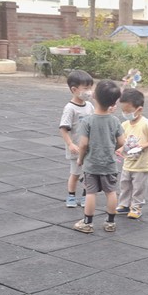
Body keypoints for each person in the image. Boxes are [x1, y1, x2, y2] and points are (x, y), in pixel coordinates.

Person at [72, 79, 124, 234]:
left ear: (94, 96)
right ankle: (110, 222)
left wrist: (81, 159)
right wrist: (111, 149)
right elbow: (122, 142)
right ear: (113, 102)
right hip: (109, 164)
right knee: (111, 192)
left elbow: (83, 144)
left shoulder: (87, 121)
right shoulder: (115, 121)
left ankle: (87, 223)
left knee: (90, 193)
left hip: (92, 164)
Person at [115, 89, 148, 220]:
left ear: (139, 109)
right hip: (128, 163)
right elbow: (123, 142)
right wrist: (120, 149)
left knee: (138, 187)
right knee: (125, 184)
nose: (125, 114)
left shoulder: (146, 123)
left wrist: (142, 146)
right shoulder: (124, 124)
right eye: (123, 111)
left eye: (128, 111)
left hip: (141, 164)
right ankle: (124, 204)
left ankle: (136, 207)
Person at [59, 70, 94, 208]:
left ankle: (85, 195)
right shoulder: (70, 108)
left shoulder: (89, 106)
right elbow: (63, 128)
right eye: (86, 88)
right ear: (74, 90)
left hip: (88, 148)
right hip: (76, 149)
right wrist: (70, 144)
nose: (89, 91)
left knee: (88, 174)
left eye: (90, 88)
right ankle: (71, 195)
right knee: (75, 173)